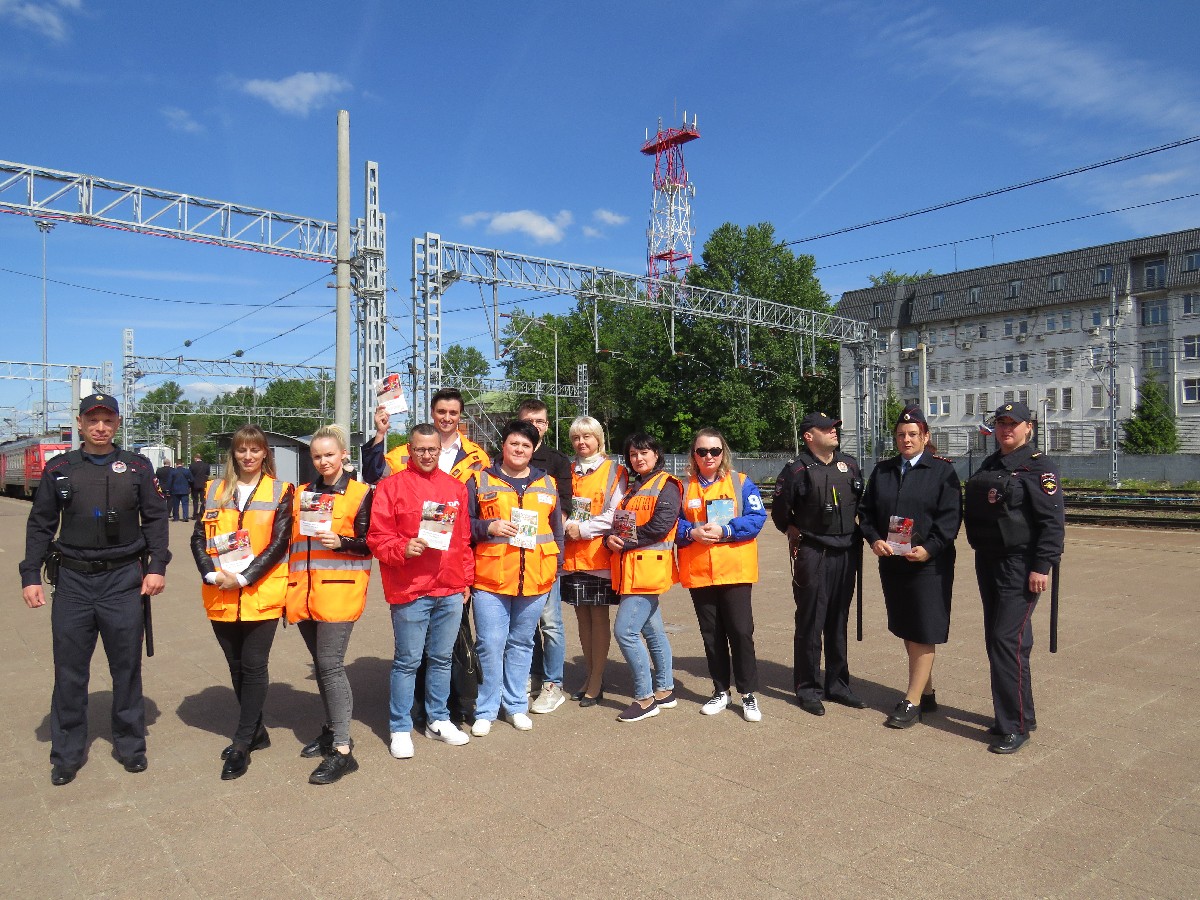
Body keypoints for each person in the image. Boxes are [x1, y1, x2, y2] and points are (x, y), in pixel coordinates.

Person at [20, 393, 170, 786]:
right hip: (72, 582)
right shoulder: (59, 469)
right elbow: (39, 524)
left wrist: (157, 566)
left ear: (117, 423)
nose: (100, 427)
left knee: (126, 668)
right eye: (93, 420)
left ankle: (130, 744)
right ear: (81, 424)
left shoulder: (137, 467)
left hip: (123, 581)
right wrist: (30, 574)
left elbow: (156, 519)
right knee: (70, 671)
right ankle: (67, 753)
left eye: (107, 420)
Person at [191, 425, 294, 780]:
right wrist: (211, 574)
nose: (248, 456)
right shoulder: (214, 490)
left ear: (266, 453)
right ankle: (257, 731)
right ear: (233, 454)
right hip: (220, 590)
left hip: (260, 592)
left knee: (253, 665)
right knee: (235, 665)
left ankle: (241, 741)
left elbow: (280, 542)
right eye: (241, 450)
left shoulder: (281, 491)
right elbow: (197, 538)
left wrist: (245, 577)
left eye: (255, 450)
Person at [368, 423, 475, 759]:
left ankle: (438, 719)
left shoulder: (455, 488)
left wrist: (465, 581)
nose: (427, 455)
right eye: (420, 449)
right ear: (409, 451)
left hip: (449, 587)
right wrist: (403, 548)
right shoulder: (389, 488)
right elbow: (377, 538)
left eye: (433, 450)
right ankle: (400, 725)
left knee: (442, 659)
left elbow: (463, 540)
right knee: (407, 661)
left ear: (440, 451)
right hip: (410, 589)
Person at [963, 400, 1064, 754]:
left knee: (1006, 640)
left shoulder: (1040, 469)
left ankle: (1015, 726)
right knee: (1004, 640)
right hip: (988, 560)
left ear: (1028, 429)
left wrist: (1042, 566)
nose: (1006, 430)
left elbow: (1052, 523)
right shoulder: (992, 464)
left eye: (1013, 424)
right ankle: (1020, 714)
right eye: (1001, 424)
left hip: (1020, 566)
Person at [859, 406, 962, 729]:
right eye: (901, 435)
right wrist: (874, 540)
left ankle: (912, 700)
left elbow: (950, 519)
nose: (906, 439)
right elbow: (867, 511)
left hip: (929, 565)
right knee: (907, 627)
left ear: (926, 437)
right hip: (893, 562)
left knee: (923, 628)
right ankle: (927, 692)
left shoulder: (942, 472)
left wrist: (929, 549)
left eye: (913, 434)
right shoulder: (884, 470)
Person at [285, 425, 373, 784]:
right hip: (304, 592)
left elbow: (371, 543)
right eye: (317, 456)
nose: (323, 461)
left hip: (339, 591)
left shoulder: (360, 493)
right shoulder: (302, 493)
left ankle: (342, 749)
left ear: (343, 456)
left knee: (330, 665)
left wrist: (343, 540)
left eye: (329, 455)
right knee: (323, 669)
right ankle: (332, 727)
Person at [466, 419, 563, 735]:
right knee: (491, 644)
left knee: (522, 643)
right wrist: (487, 527)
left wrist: (554, 571)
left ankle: (516, 706)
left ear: (533, 449)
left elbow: (557, 533)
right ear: (503, 446)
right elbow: (462, 525)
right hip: (491, 580)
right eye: (513, 443)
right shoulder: (480, 480)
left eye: (525, 445)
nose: (519, 449)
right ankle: (486, 709)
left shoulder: (547, 484)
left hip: (536, 579)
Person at [772, 411, 864, 717]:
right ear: (809, 436)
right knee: (811, 620)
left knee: (838, 619)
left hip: (847, 551)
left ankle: (838, 684)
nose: (834, 432)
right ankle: (808, 687)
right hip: (814, 552)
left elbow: (861, 503)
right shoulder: (796, 470)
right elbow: (781, 512)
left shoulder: (849, 464)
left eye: (835, 427)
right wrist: (792, 531)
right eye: (826, 429)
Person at [676, 428, 767, 722]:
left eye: (714, 451)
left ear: (723, 453)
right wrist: (691, 531)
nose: (708, 456)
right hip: (700, 572)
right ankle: (720, 691)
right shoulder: (681, 487)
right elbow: (669, 523)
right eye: (702, 451)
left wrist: (727, 530)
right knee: (712, 635)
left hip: (735, 570)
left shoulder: (741, 483)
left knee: (741, 632)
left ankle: (748, 694)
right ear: (694, 455)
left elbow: (756, 518)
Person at [606, 432, 681, 723]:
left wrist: (624, 542)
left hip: (647, 569)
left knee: (625, 631)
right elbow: (620, 526)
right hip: (630, 569)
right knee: (652, 632)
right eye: (634, 454)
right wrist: (610, 539)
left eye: (644, 452)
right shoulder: (633, 488)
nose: (639, 458)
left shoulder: (667, 485)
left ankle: (645, 698)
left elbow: (661, 526)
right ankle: (665, 690)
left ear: (656, 455)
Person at [561, 416, 625, 707]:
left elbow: (616, 512)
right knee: (581, 619)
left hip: (598, 555)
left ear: (599, 439)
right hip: (572, 557)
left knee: (598, 618)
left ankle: (597, 680)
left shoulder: (615, 471)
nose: (581, 443)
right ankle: (589, 674)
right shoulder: (568, 470)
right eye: (576, 437)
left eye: (587, 437)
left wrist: (582, 529)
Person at [517, 398, 573, 715]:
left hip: (546, 555)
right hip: (516, 556)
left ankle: (554, 683)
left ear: (547, 425)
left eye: (540, 421)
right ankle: (533, 674)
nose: (535, 426)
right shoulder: (505, 457)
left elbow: (563, 510)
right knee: (526, 622)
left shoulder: (557, 461)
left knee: (551, 623)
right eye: (529, 420)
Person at [361, 387, 490, 484]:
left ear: (460, 415)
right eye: (441, 412)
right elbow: (373, 476)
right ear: (432, 412)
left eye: (453, 413)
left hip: (459, 519)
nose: (447, 418)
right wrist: (380, 433)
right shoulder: (405, 453)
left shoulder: (477, 457)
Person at [189, 453, 211, 521]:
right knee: (203, 500)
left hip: (194, 485)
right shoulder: (206, 465)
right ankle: (203, 514)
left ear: (195, 458)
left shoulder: (192, 466)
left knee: (195, 500)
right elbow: (207, 474)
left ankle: (195, 514)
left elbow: (190, 476)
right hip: (203, 484)